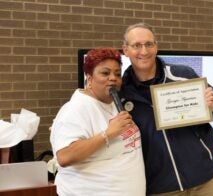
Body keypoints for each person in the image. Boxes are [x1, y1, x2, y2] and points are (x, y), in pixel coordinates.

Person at [121, 23, 213, 196]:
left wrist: (212, 106)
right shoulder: (122, 93)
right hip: (161, 187)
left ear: (156, 47)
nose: (144, 51)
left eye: (149, 44)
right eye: (136, 45)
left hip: (206, 176)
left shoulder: (183, 74)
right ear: (126, 50)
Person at [50, 47, 145, 196]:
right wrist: (108, 133)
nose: (113, 78)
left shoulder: (114, 103)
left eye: (117, 74)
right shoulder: (76, 109)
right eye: (105, 73)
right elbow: (64, 157)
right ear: (89, 77)